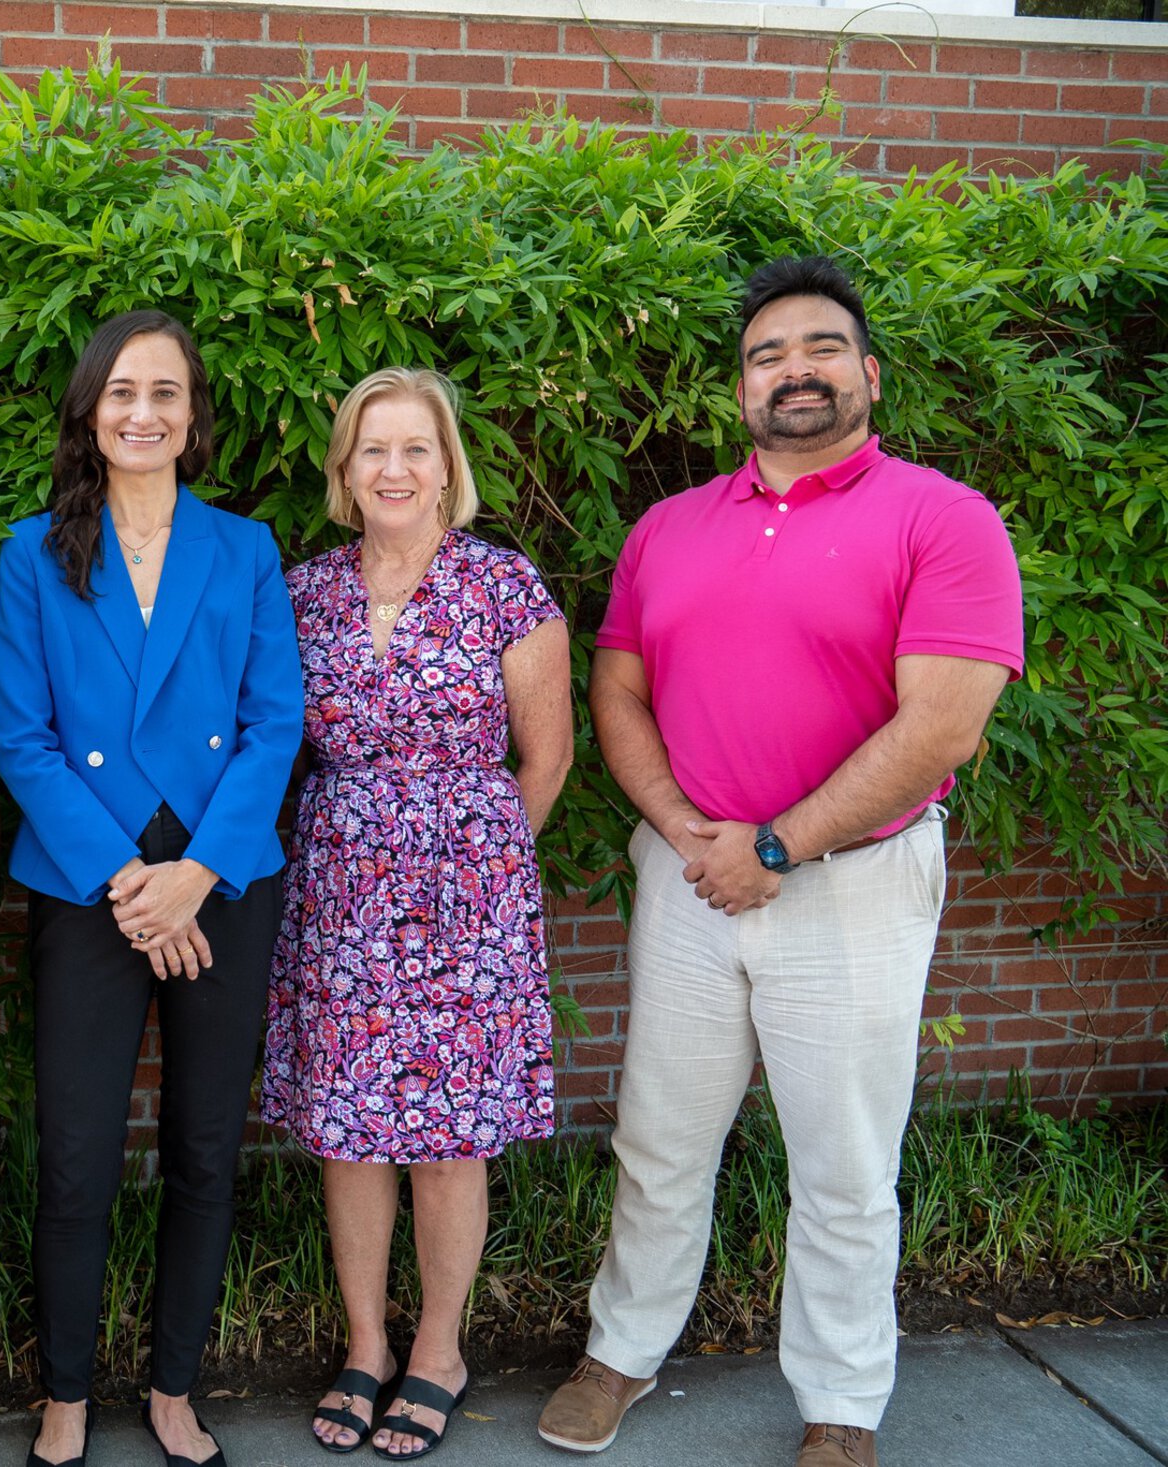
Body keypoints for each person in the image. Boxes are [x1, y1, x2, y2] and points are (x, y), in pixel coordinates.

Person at [535, 257, 1025, 1467]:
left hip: (852, 885)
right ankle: (621, 1355)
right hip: (689, 876)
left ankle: (841, 1407)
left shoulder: (942, 518)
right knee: (659, 1136)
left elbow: (942, 724)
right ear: (738, 390)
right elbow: (619, 687)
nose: (791, 371)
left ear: (867, 374)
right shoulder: (669, 527)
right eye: (765, 356)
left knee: (845, 1163)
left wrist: (776, 845)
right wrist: (695, 834)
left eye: (817, 350)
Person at [0, 309, 303, 1467]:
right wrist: (135, 883)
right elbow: (21, 741)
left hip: (223, 880)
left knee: (204, 1149)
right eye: (122, 390)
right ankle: (64, 1393)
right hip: (91, 886)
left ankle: (175, 1387)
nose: (142, 412)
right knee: (76, 1154)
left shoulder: (246, 547)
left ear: (192, 416)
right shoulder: (35, 552)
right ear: (88, 408)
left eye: (165, 392)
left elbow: (277, 723)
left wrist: (198, 875)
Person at [262, 367, 572, 1460]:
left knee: (447, 1142)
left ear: (448, 467)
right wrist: (376, 858)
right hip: (338, 896)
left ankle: (438, 1349)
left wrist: (467, 867)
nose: (394, 469)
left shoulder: (504, 587)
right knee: (348, 1136)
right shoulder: (303, 594)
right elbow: (276, 746)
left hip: (468, 906)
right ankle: (364, 1346)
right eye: (371, 450)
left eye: (415, 449)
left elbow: (546, 760)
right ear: (345, 472)